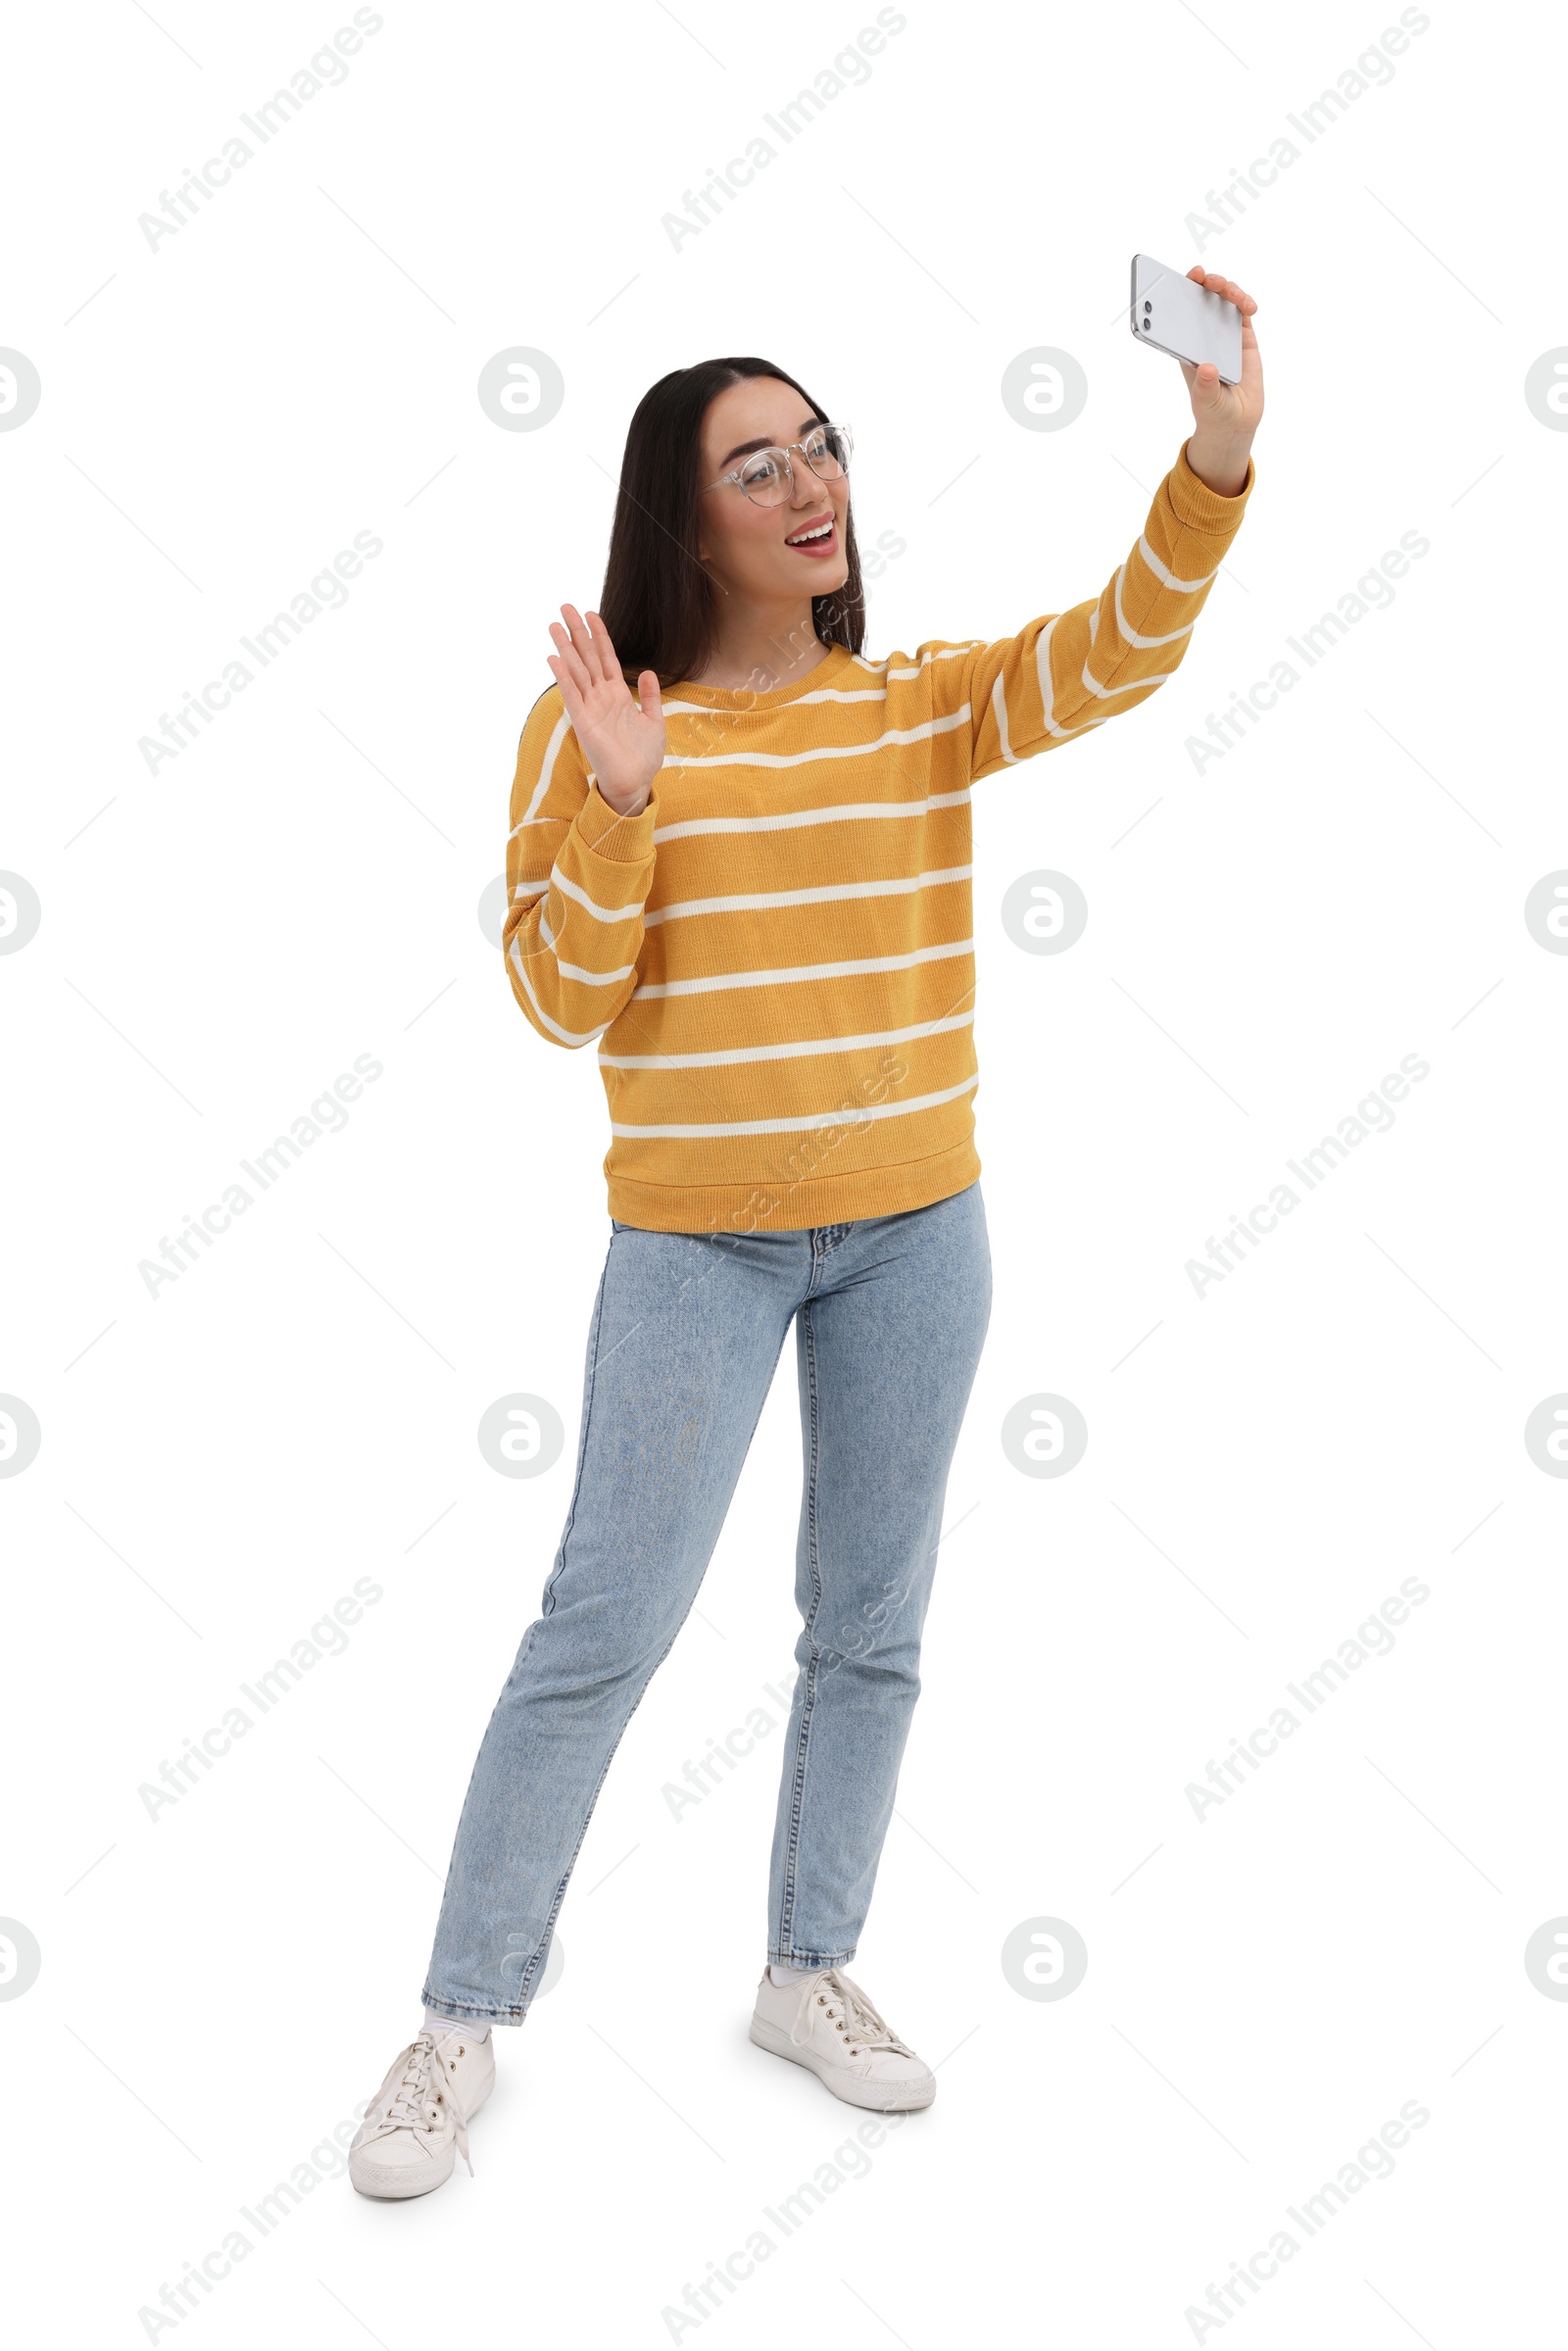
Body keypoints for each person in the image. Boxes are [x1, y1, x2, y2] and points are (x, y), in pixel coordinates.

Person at [350, 269, 1262, 2197]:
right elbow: (560, 1003)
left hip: (918, 1234)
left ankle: (808, 1969)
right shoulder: (597, 723)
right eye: (754, 465)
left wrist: (1213, 451)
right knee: (599, 1634)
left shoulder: (910, 706)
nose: (805, 483)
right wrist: (616, 801)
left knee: (870, 1632)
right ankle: (456, 2022)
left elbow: (1114, 654)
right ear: (688, 524)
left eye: (817, 444)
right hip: (698, 1247)